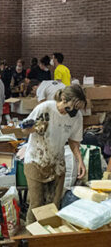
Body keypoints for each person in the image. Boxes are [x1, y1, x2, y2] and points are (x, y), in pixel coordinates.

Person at [22, 85, 87, 224]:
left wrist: (80, 161)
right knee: (36, 204)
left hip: (57, 163)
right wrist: (31, 127)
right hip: (35, 160)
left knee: (53, 205)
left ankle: (49, 237)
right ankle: (31, 236)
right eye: (73, 107)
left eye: (79, 108)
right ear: (63, 99)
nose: (75, 112)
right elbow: (26, 130)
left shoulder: (76, 117)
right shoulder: (46, 108)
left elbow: (74, 142)